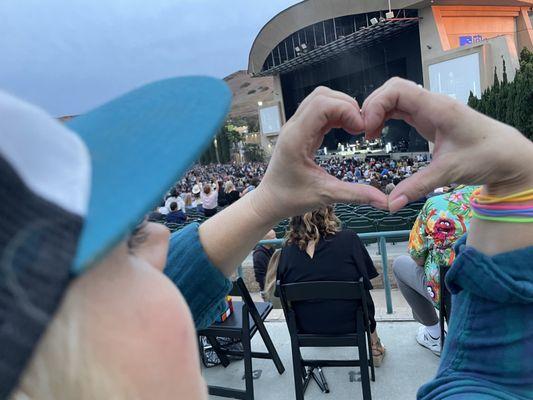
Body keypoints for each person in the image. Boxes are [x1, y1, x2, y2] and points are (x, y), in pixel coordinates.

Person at [4, 77, 533, 400]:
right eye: (128, 240)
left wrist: (265, 200)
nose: (164, 241)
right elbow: (496, 381)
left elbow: (151, 300)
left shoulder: (80, 357)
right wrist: (516, 181)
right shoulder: (351, 244)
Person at [276, 206, 386, 366]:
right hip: (352, 323)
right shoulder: (349, 239)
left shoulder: (286, 250)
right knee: (362, 291)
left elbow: (281, 294)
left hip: (306, 327)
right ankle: (374, 345)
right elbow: (369, 279)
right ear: (327, 212)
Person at [393, 185, 477, 356]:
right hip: (502, 290)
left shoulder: (435, 204)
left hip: (449, 290)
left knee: (400, 264)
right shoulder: (513, 197)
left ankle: (434, 334)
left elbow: (417, 256)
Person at [252, 230, 276, 296]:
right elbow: (260, 277)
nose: (276, 239)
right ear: (267, 240)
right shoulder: (259, 255)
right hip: (267, 289)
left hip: (273, 283)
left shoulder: (271, 248)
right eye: (273, 238)